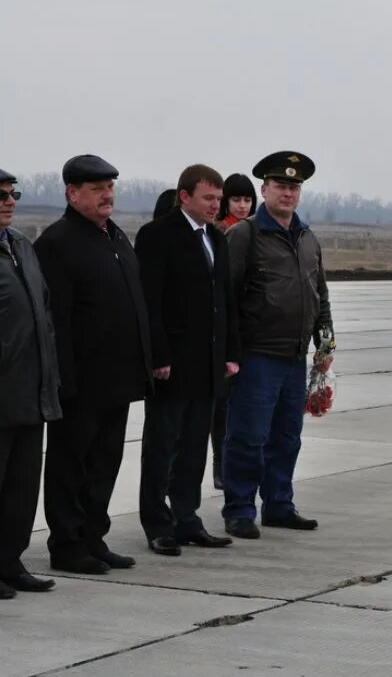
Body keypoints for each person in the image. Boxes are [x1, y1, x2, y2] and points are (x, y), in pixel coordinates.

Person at [34, 155, 153, 575]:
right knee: (71, 466)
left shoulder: (115, 237)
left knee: (104, 464)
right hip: (80, 383)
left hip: (118, 380)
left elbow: (134, 305)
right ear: (72, 192)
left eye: (110, 187)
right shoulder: (57, 242)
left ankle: (92, 538)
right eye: (97, 188)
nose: (108, 195)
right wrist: (63, 379)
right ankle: (66, 546)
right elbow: (56, 320)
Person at [221, 152, 333, 540]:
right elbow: (226, 297)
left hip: (295, 356)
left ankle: (279, 505)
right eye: (280, 186)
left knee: (287, 435)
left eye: (294, 187)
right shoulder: (244, 235)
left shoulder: (307, 238)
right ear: (263, 189)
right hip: (257, 355)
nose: (288, 193)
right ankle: (238, 508)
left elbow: (319, 291)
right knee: (249, 435)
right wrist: (230, 351)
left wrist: (326, 338)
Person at [135, 165, 240, 556]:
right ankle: (157, 524)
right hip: (172, 364)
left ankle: (187, 519)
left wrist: (231, 352)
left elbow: (224, 303)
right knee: (163, 445)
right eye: (208, 198)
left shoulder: (216, 238)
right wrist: (157, 355)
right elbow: (151, 301)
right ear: (184, 197)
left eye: (218, 199)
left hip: (207, 363)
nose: (216, 206)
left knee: (195, 445)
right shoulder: (158, 236)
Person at [0, 168, 62, 598]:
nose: (8, 201)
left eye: (11, 193)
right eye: (0, 195)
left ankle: (9, 562)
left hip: (30, 389)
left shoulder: (21, 245)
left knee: (21, 487)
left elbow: (44, 313)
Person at [208, 173, 257, 489]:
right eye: (236, 199)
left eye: (247, 200)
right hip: (226, 332)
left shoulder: (257, 232)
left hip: (252, 334)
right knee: (222, 406)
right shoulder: (219, 234)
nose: (241, 205)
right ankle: (220, 465)